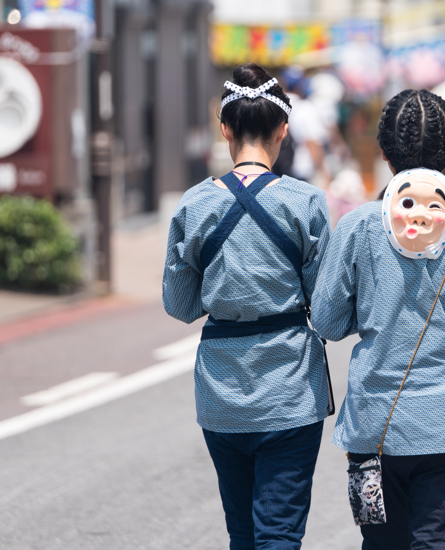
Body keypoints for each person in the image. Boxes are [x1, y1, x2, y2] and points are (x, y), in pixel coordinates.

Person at [312, 89, 445, 549]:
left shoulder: (358, 225)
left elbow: (325, 321)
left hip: (373, 431)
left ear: (383, 153)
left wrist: (373, 307)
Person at [162, 63, 331, 549]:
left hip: (221, 390)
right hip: (291, 389)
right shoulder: (307, 203)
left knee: (242, 534)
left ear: (226, 129)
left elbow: (180, 304)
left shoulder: (193, 205)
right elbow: (325, 309)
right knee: (278, 533)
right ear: (283, 129)